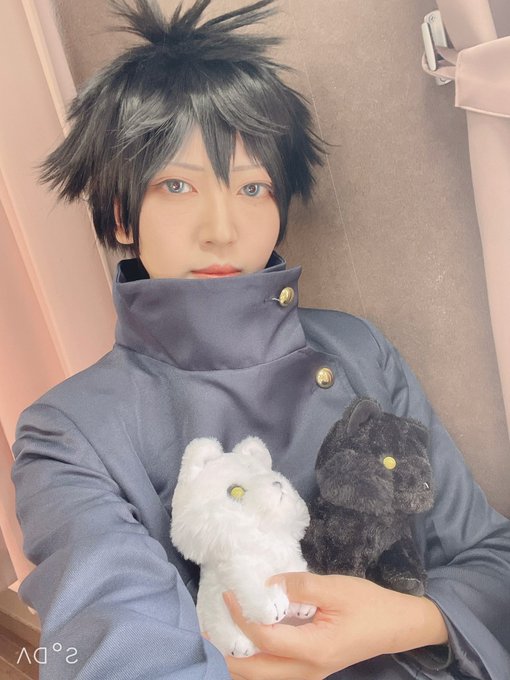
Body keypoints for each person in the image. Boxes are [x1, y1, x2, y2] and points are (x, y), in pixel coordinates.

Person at [10, 1, 510, 678]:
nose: (222, 229)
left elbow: (491, 558)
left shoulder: (358, 349)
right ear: (122, 213)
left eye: (253, 188)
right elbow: (108, 650)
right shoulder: (69, 432)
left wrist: (410, 621)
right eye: (177, 185)